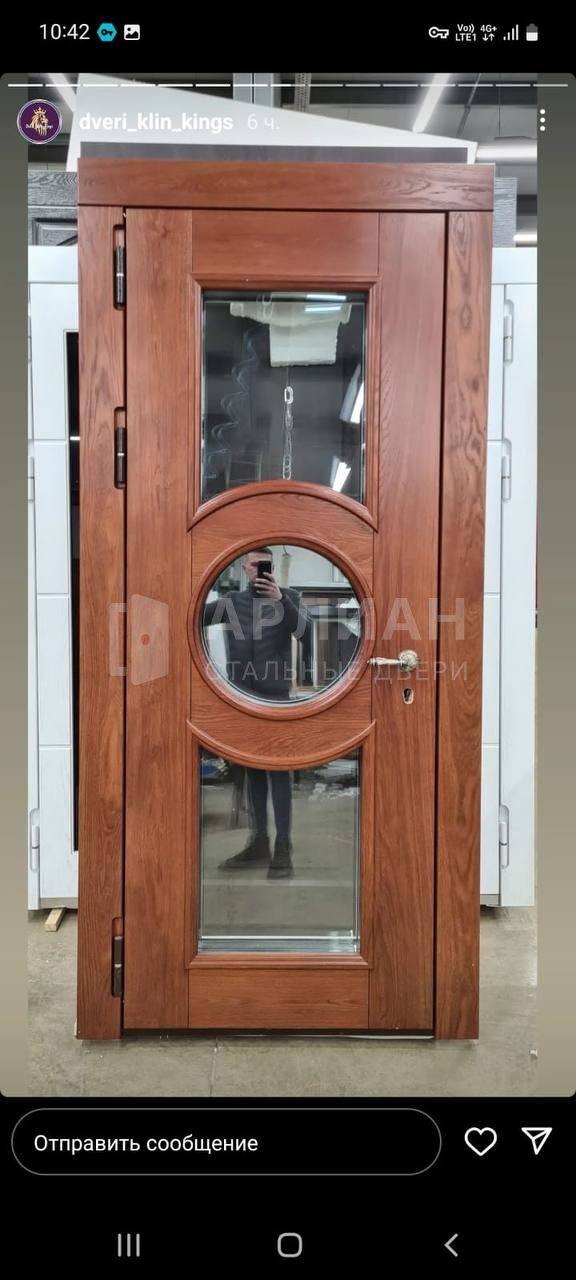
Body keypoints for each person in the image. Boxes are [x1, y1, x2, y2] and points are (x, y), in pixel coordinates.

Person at [203, 547, 312, 879]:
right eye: (254, 565)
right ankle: (259, 841)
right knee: (251, 772)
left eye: (266, 565)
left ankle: (283, 846)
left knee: (278, 772)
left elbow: (306, 634)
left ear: (272, 567)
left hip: (276, 698)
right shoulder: (232, 602)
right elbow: (191, 614)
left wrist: (281, 599)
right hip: (240, 698)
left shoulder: (289, 597)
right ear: (244, 569)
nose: (260, 570)